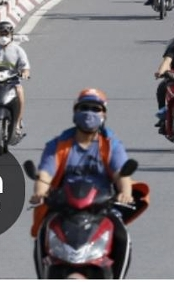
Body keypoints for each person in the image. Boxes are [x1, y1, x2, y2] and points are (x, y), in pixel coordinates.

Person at [29, 89, 136, 274]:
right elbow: (45, 174)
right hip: (64, 206)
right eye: (84, 107)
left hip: (102, 207)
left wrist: (125, 193)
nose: (89, 113)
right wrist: (40, 192)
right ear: (75, 111)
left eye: (95, 109)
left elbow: (121, 174)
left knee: (122, 235)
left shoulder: (111, 145)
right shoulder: (58, 144)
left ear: (104, 114)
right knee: (43, 233)